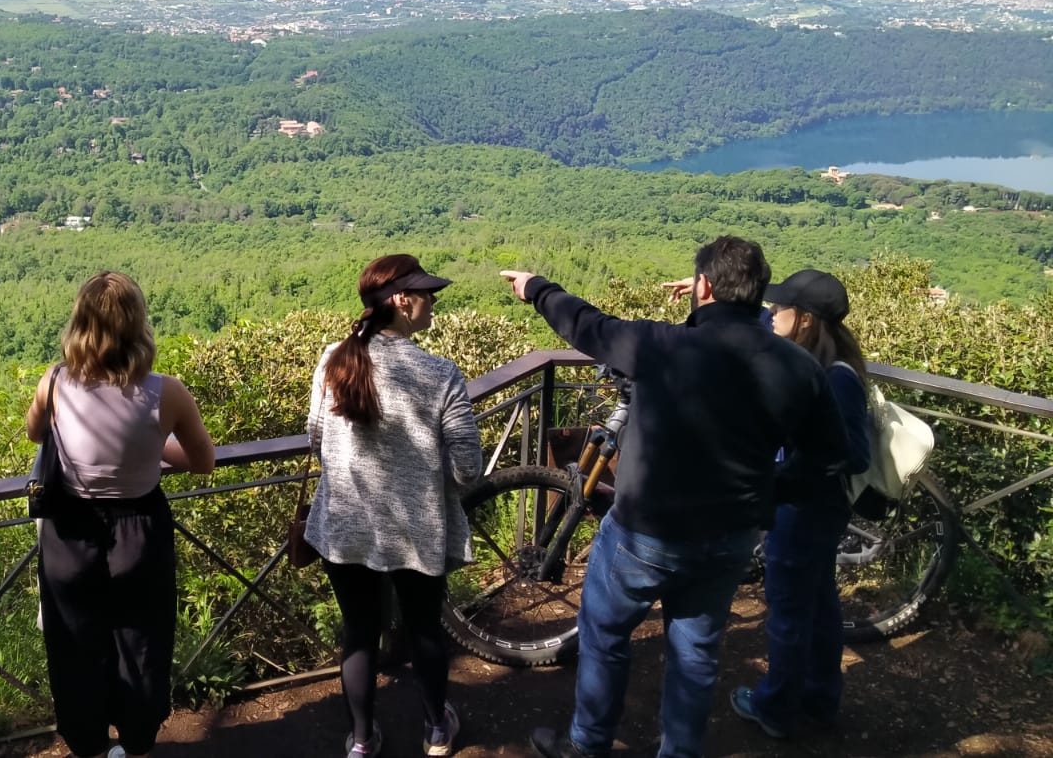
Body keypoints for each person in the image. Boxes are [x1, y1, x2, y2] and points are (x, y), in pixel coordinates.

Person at [502, 236, 851, 758]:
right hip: (730, 538)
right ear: (759, 294)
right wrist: (769, 492)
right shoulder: (797, 368)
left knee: (604, 634)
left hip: (646, 532)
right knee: (696, 655)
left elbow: (587, 324)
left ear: (703, 286)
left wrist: (537, 289)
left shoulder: (661, 345)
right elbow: (830, 459)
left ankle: (588, 743)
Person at [26, 271, 215, 758]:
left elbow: (34, 433)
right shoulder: (166, 392)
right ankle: (135, 746)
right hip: (140, 531)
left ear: (80, 324)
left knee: (75, 648)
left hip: (69, 533)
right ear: (138, 325)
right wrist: (154, 447)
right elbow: (202, 462)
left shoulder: (54, 382)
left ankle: (88, 746)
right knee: (141, 644)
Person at [304, 254, 483, 758]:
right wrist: (426, 475)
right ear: (402, 302)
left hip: (343, 525)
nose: (434, 303)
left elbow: (316, 438)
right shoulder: (441, 374)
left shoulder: (333, 359)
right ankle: (435, 730)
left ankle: (361, 740)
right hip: (415, 528)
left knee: (358, 632)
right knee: (424, 627)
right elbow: (468, 468)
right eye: (427, 294)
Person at [731, 269, 872, 739]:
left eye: (779, 309)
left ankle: (775, 708)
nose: (771, 314)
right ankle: (819, 698)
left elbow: (854, 452)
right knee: (819, 604)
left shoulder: (837, 379)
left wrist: (793, 462)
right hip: (815, 507)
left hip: (808, 510)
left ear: (806, 320)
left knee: (789, 610)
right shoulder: (823, 366)